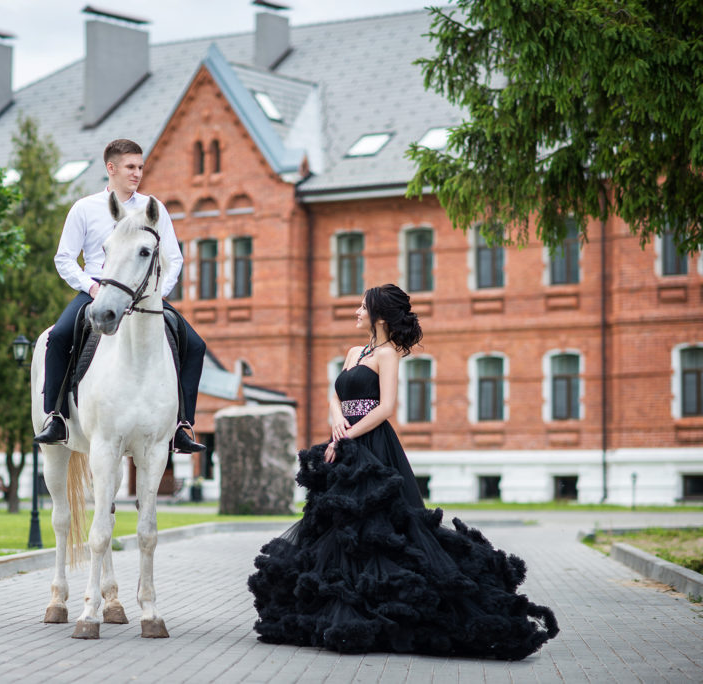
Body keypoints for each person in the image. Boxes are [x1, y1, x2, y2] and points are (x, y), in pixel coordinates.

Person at [247, 283, 559, 659]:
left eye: (362, 307)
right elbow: (335, 395)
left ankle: (391, 613)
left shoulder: (389, 354)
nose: (356, 312)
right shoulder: (353, 352)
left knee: (382, 529)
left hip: (374, 448)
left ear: (379, 315)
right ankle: (340, 607)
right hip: (344, 446)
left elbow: (386, 407)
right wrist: (336, 424)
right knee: (339, 529)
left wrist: (347, 436)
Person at [34, 139, 206, 454]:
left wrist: (156, 295)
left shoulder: (154, 209)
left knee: (195, 345)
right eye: (130, 167)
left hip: (143, 295)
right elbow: (65, 259)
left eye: (140, 167)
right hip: (99, 291)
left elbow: (174, 258)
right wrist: (92, 287)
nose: (137, 173)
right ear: (111, 168)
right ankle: (56, 416)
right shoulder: (84, 208)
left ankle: (182, 424)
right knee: (58, 337)